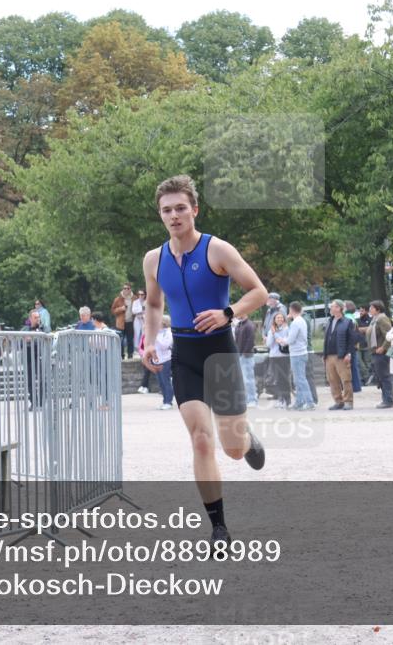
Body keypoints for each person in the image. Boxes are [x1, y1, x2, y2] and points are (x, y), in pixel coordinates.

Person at [139, 174, 267, 550]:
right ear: (160, 215)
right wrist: (149, 341)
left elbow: (259, 292)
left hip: (219, 352)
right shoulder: (154, 259)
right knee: (200, 440)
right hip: (185, 355)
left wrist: (228, 312)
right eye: (167, 210)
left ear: (194, 210)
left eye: (181, 208)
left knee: (232, 448)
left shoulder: (217, 250)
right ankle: (219, 528)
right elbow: (153, 304)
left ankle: (246, 439)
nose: (174, 215)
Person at [322, 300, 357, 410]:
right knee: (332, 380)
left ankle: (348, 401)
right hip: (329, 356)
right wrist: (324, 354)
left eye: (332, 306)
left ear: (339, 308)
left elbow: (352, 340)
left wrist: (349, 354)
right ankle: (338, 401)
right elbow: (326, 339)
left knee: (346, 379)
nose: (330, 308)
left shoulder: (347, 322)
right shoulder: (329, 321)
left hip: (341, 356)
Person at [286, 302, 316, 410]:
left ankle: (309, 402)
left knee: (300, 379)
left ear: (291, 309)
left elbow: (290, 339)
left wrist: (282, 341)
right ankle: (299, 401)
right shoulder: (301, 320)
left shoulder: (296, 322)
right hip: (301, 352)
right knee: (298, 379)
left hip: (297, 353)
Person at [367, 300, 393, 409]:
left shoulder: (382, 318)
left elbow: (389, 334)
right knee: (381, 377)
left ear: (378, 309)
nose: (370, 310)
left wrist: (383, 347)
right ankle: (385, 399)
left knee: (385, 376)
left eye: (372, 308)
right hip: (375, 352)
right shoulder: (375, 319)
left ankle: (388, 400)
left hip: (382, 353)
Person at [266, 312, 292, 408]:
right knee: (277, 379)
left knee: (284, 378)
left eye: (281, 318)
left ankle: (287, 400)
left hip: (284, 356)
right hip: (274, 356)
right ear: (274, 320)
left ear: (284, 319)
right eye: (277, 318)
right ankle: (281, 399)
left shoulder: (287, 329)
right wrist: (273, 334)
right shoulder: (271, 330)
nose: (280, 319)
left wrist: (275, 334)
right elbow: (269, 344)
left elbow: (284, 343)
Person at [233, 313, 258, 407]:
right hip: (239, 355)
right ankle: (248, 398)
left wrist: (244, 353)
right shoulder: (239, 325)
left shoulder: (249, 325)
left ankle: (252, 400)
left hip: (247, 356)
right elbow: (236, 341)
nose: (237, 315)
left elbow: (250, 341)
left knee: (248, 379)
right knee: (244, 379)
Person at [24, 309, 47, 410]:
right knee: (30, 381)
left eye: (38, 317)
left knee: (42, 379)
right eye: (35, 317)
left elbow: (47, 337)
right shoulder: (25, 329)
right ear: (30, 318)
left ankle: (41, 402)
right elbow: (22, 340)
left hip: (40, 356)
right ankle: (33, 402)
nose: (38, 319)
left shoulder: (44, 328)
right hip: (29, 357)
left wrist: (32, 338)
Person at [155, 315, 175, 410]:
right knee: (161, 382)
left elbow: (165, 345)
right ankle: (165, 400)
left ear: (163, 323)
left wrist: (155, 337)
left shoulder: (169, 333)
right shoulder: (157, 333)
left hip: (165, 360)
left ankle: (168, 402)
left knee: (165, 381)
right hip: (157, 360)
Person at [111, 283, 135, 359]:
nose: (126, 290)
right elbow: (113, 310)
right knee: (120, 340)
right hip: (120, 323)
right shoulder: (118, 299)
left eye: (128, 288)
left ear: (130, 289)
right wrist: (120, 309)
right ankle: (121, 356)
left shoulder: (134, 298)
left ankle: (130, 355)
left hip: (131, 322)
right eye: (124, 288)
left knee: (130, 340)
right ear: (122, 289)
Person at [131, 289, 147, 354]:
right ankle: (136, 349)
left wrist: (141, 312)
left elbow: (148, 311)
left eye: (142, 294)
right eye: (139, 294)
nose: (140, 296)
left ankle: (143, 348)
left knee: (144, 334)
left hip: (144, 319)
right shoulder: (135, 302)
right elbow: (133, 311)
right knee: (136, 333)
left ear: (145, 295)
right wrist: (141, 310)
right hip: (137, 319)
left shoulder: (147, 302)